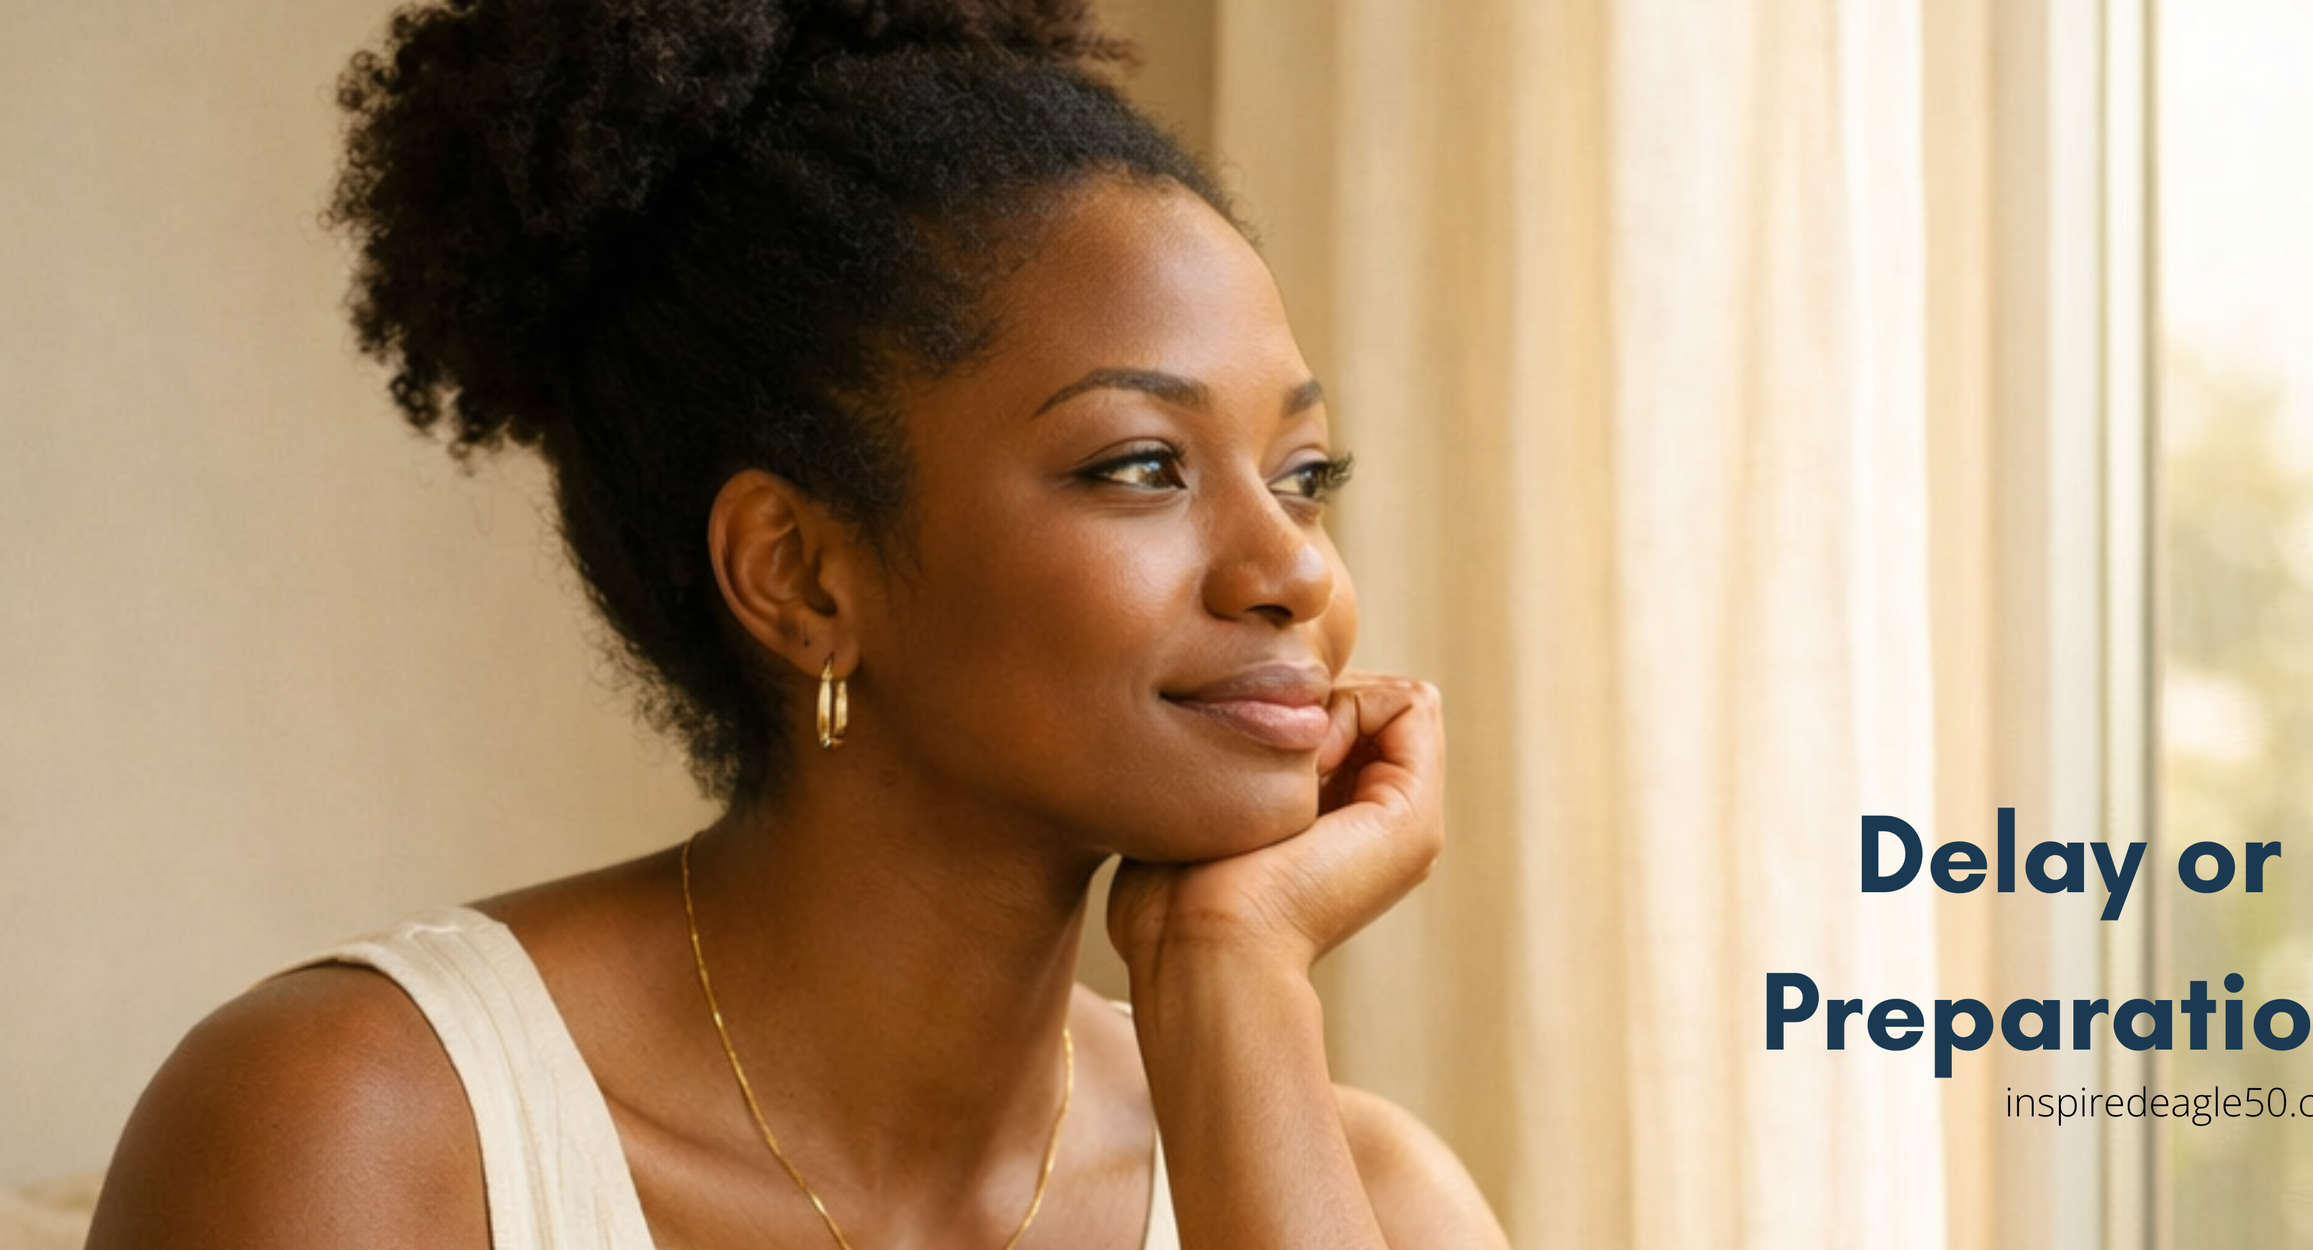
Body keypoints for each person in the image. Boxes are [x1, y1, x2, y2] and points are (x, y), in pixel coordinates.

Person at [82, 1, 1508, 1247]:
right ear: (801, 577)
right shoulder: (357, 1129)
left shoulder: (1373, 1193)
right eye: (1141, 466)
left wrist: (1229, 976)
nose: (1293, 571)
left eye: (1304, 477)